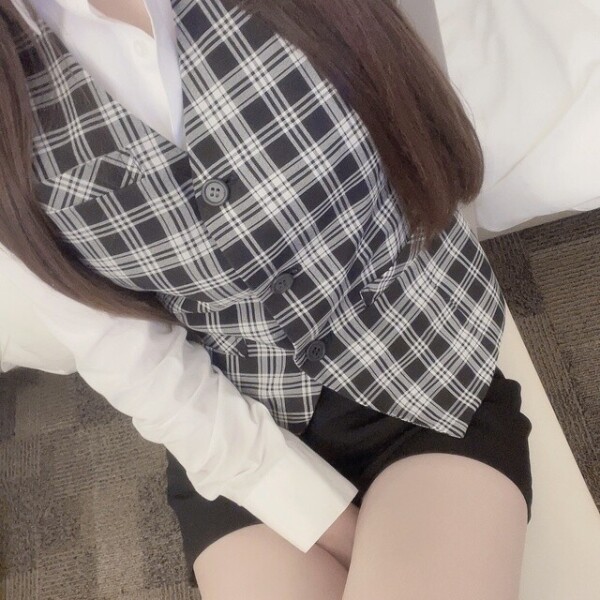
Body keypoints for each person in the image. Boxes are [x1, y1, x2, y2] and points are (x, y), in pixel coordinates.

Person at [0, 1, 533, 598]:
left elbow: (421, 119)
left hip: (424, 366)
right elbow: (131, 359)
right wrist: (343, 531)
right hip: (237, 424)